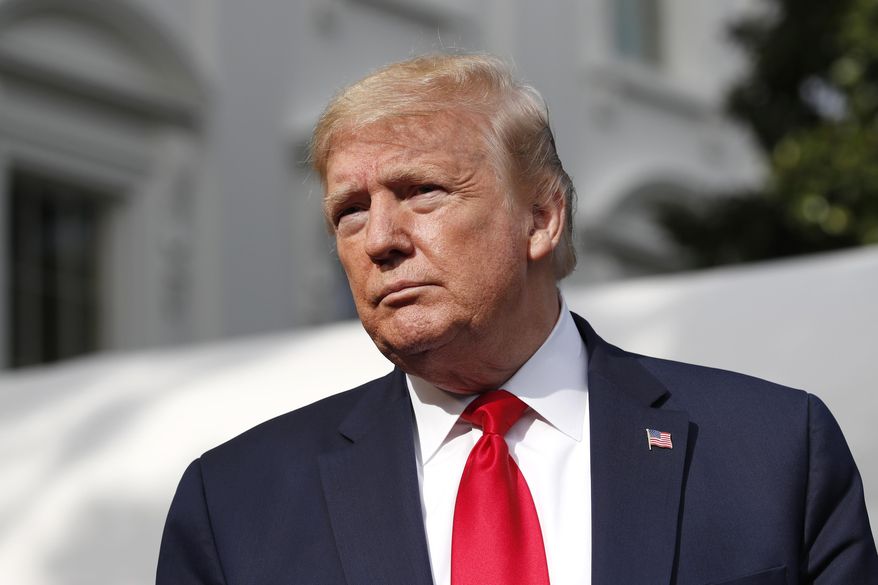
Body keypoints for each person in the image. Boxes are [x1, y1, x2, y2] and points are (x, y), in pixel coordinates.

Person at [157, 54, 878, 585]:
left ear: (541, 217)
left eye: (422, 190)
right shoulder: (237, 503)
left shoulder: (772, 452)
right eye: (350, 210)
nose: (379, 239)